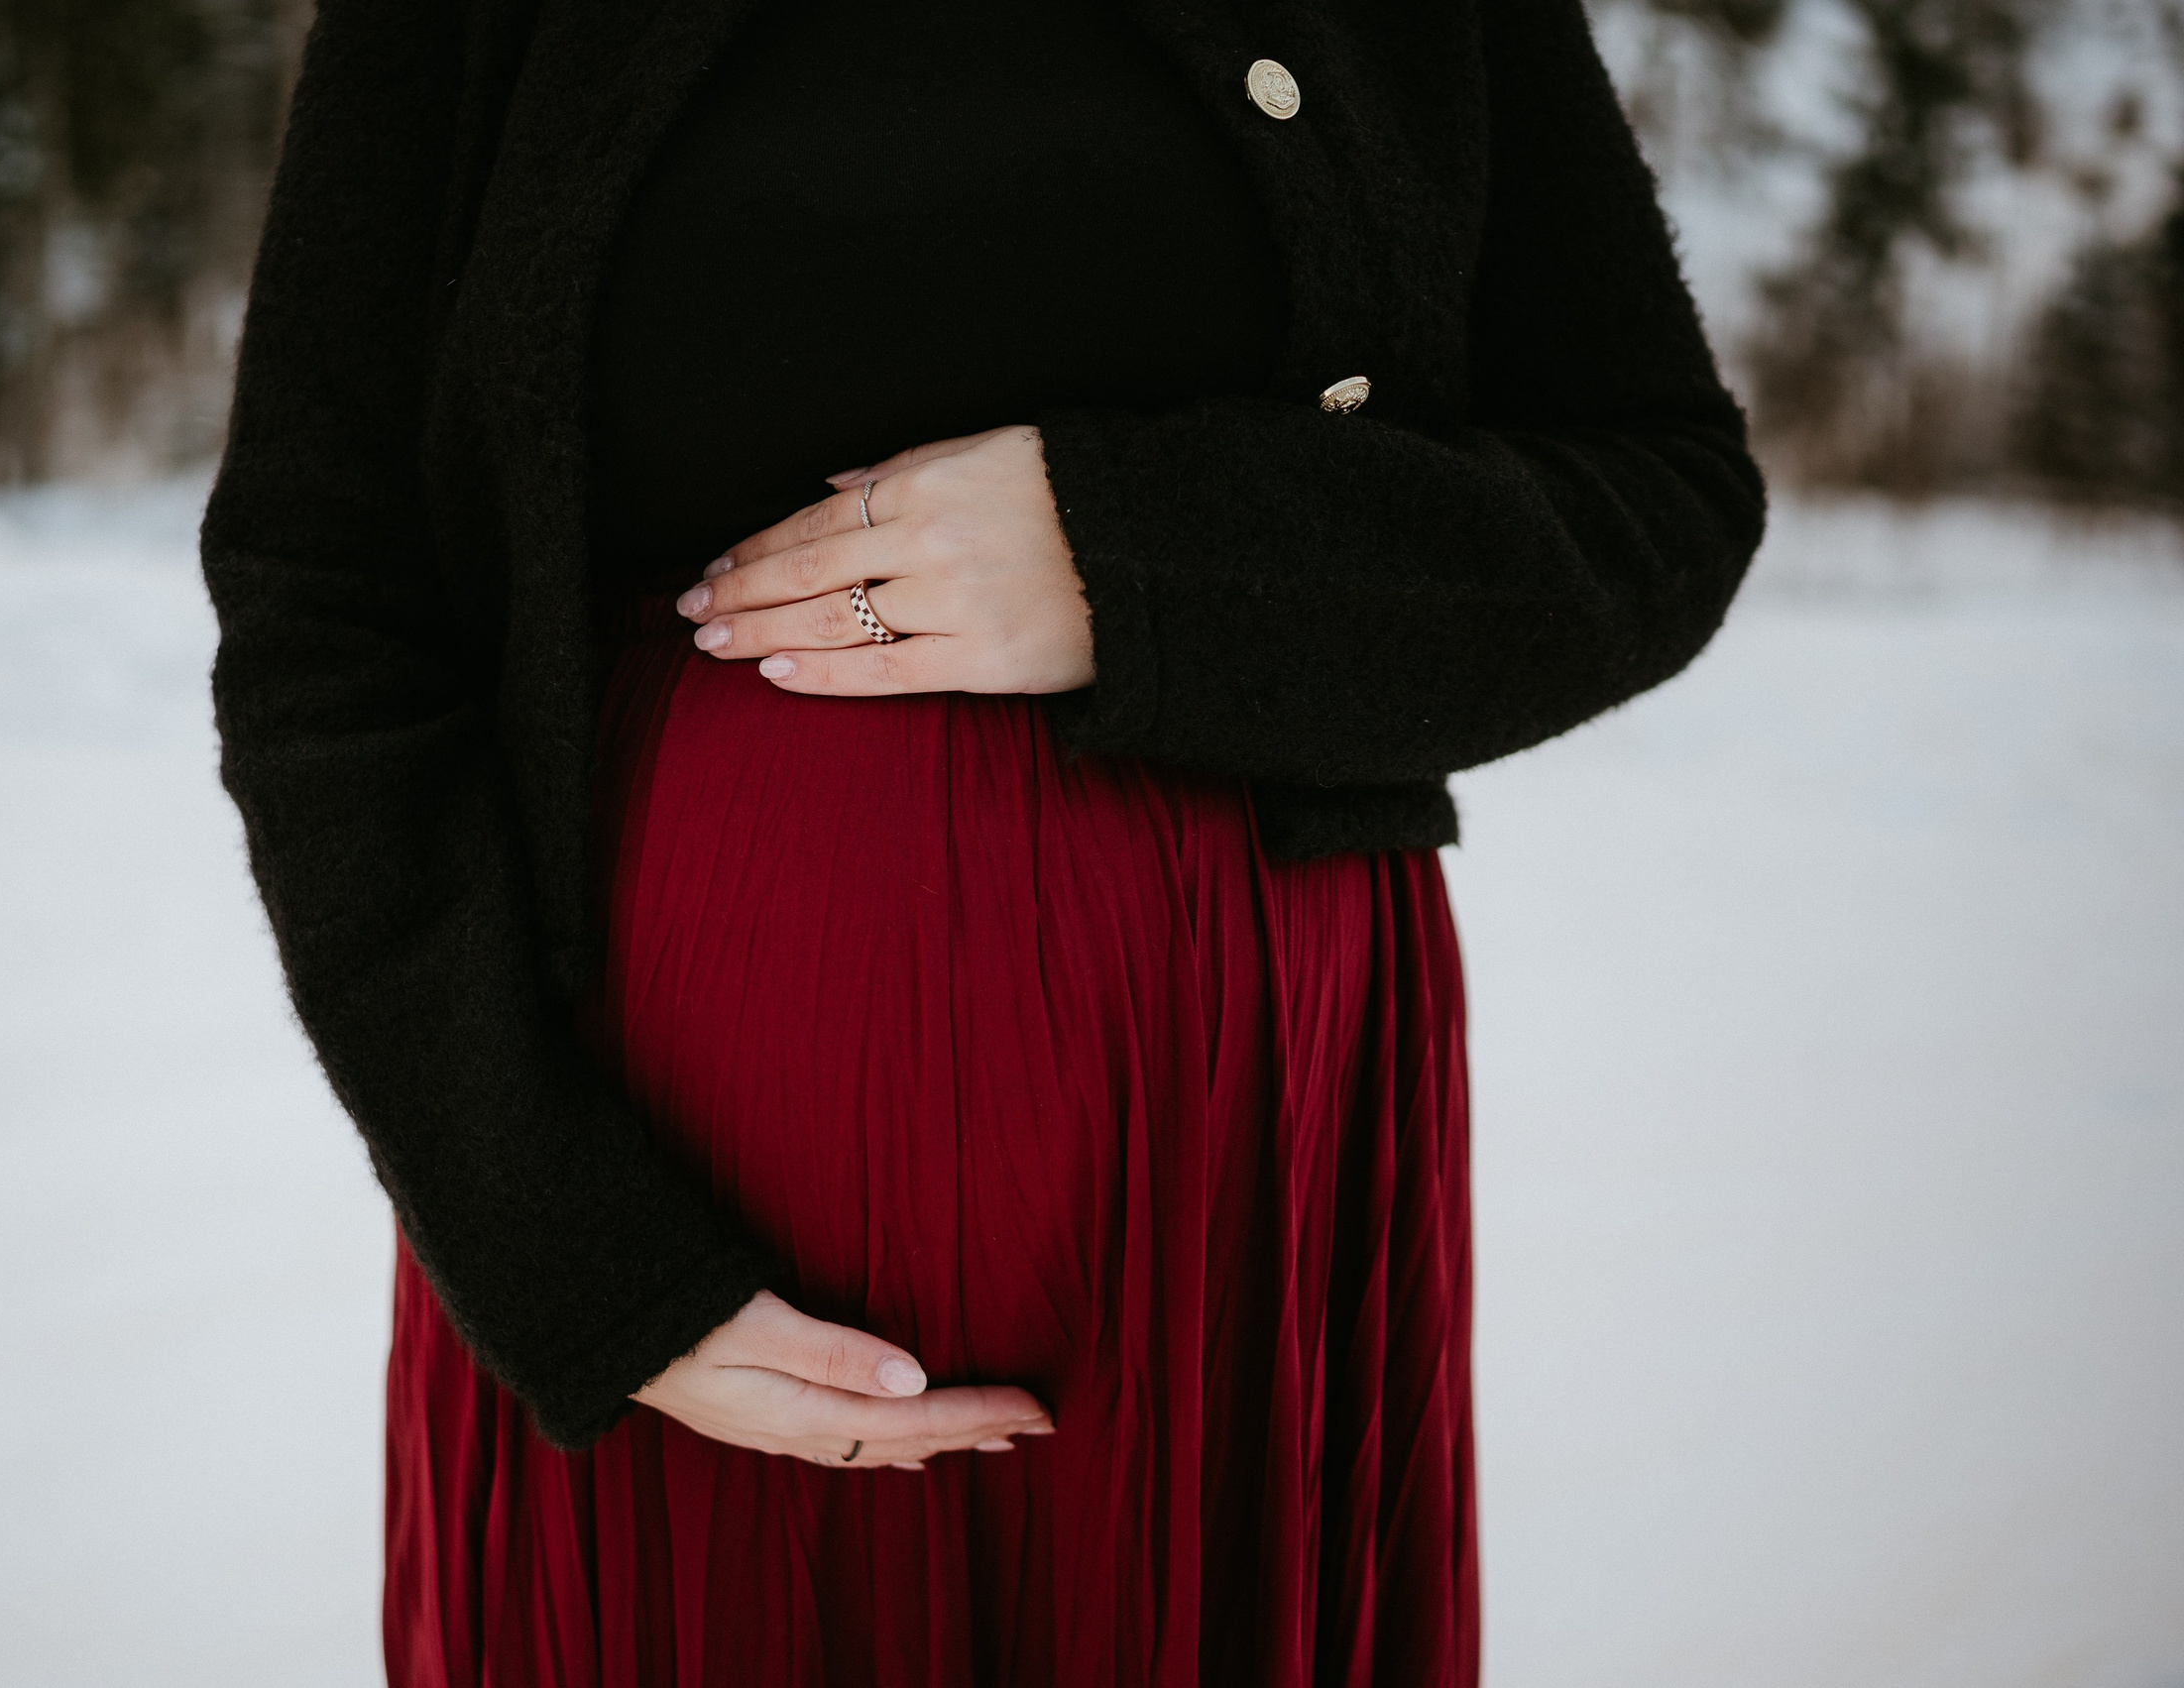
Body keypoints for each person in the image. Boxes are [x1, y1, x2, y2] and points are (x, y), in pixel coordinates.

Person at [199, 0, 1765, 1679]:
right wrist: (559, 1248)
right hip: (655, 1222)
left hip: (1232, 1186)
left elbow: (1657, 499)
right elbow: (328, 590)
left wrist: (1143, 558)